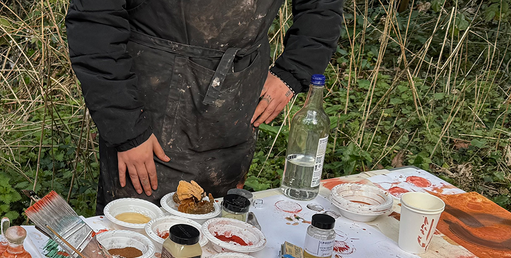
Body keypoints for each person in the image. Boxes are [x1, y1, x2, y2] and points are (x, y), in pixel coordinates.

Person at [65, 0, 344, 213]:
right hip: (150, 105)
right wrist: (126, 128)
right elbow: (95, 21)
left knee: (220, 226)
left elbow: (322, 5)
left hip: (238, 97)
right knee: (139, 230)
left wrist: (294, 70)